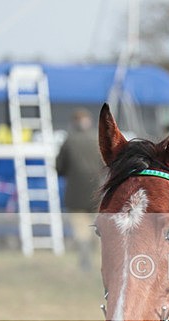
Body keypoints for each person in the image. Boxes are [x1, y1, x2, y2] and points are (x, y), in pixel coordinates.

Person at [55, 107, 104, 270]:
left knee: (81, 230)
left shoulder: (68, 141)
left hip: (75, 194)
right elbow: (106, 165)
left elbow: (59, 167)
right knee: (99, 230)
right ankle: (103, 264)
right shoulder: (98, 141)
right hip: (97, 193)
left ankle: (85, 261)